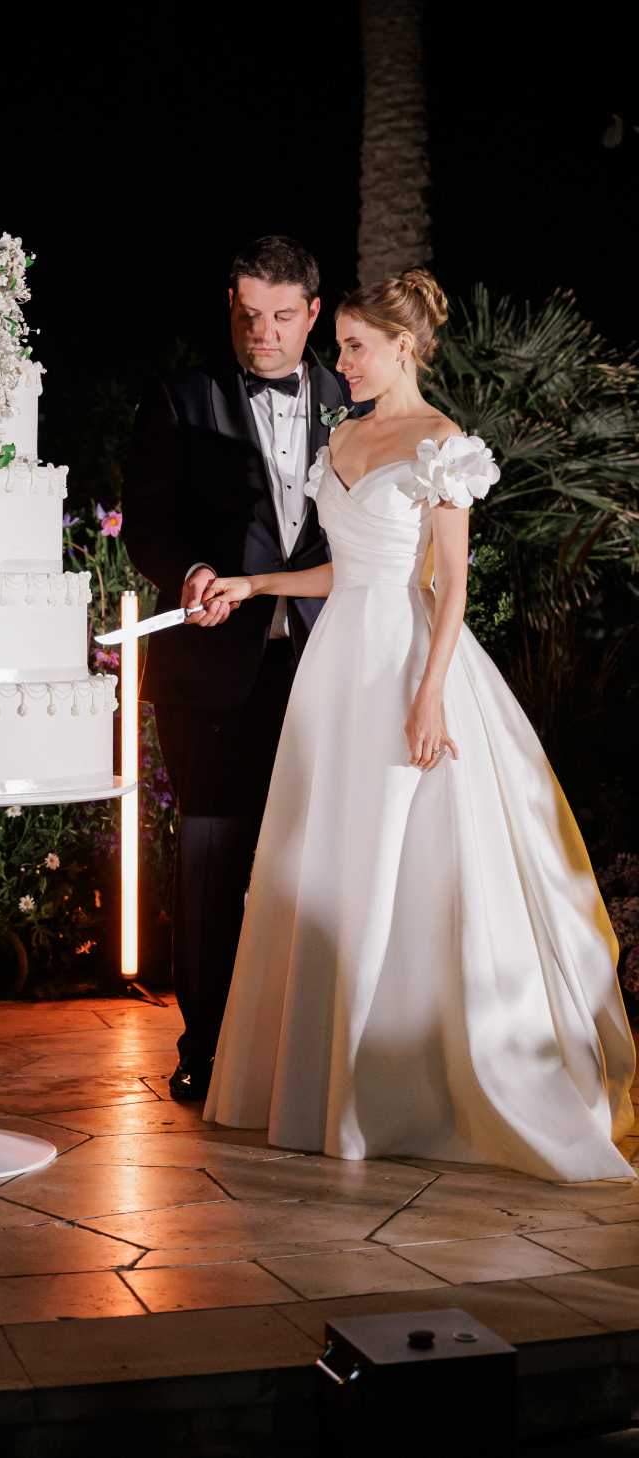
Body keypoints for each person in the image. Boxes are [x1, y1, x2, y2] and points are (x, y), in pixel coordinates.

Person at [201, 268, 635, 1183]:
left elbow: (451, 584)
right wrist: (254, 583)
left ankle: (399, 1085)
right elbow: (345, 568)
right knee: (324, 856)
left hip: (407, 658)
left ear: (405, 347)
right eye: (340, 347)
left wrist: (430, 693)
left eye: (357, 347)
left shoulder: (443, 443)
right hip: (336, 668)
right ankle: (317, 1080)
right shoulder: (343, 436)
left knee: (405, 853)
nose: (343, 363)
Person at [122, 236, 366, 1101]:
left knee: (326, 859)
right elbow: (147, 522)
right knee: (213, 856)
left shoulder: (355, 400)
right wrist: (190, 572)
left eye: (283, 317)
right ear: (230, 303)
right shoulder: (179, 398)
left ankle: (305, 1052)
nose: (263, 333)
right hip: (213, 669)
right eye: (249, 314)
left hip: (333, 661)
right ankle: (207, 1047)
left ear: (313, 312)